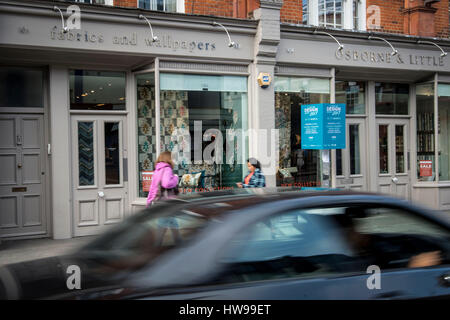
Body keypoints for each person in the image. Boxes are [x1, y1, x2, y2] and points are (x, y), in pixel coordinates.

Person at [146, 151, 181, 245]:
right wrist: (176, 178)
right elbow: (167, 183)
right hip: (167, 203)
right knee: (164, 227)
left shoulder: (157, 170)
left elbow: (152, 188)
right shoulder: (167, 169)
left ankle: (179, 246)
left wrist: (148, 203)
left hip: (160, 202)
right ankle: (157, 250)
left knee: (170, 225)